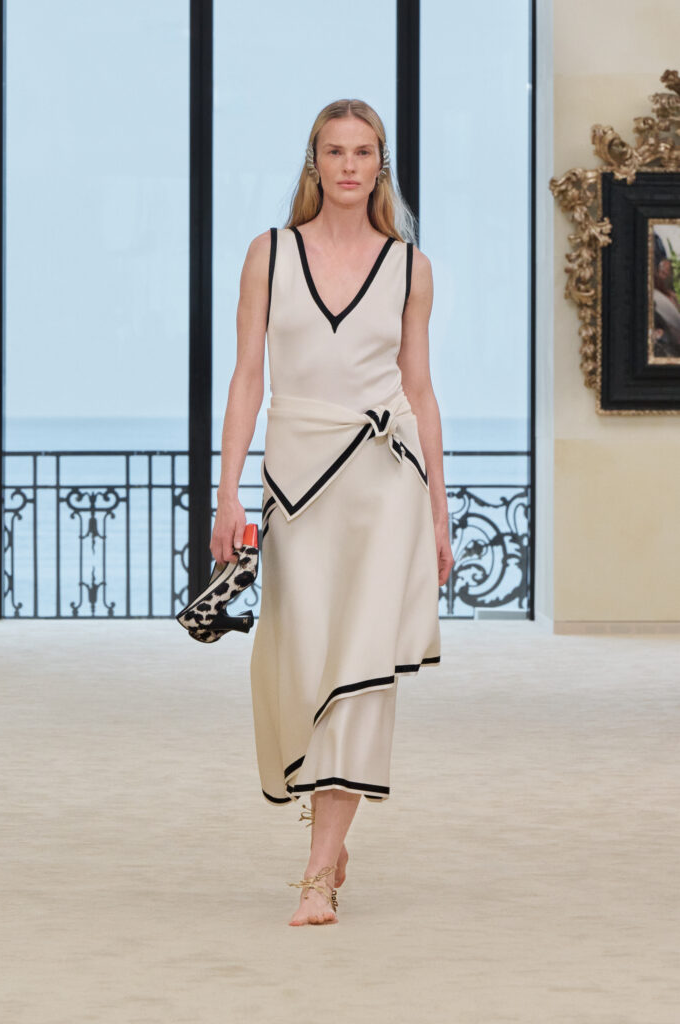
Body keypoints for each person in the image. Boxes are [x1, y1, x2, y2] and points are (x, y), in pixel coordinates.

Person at [211, 98, 454, 926]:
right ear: (313, 163)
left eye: (363, 151)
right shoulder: (269, 254)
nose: (349, 165)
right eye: (334, 151)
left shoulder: (411, 267)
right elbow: (247, 378)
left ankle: (318, 871)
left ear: (381, 165)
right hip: (295, 483)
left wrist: (437, 513)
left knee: (359, 668)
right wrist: (227, 491)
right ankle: (326, 828)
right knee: (298, 658)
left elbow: (419, 391)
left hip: (385, 484)